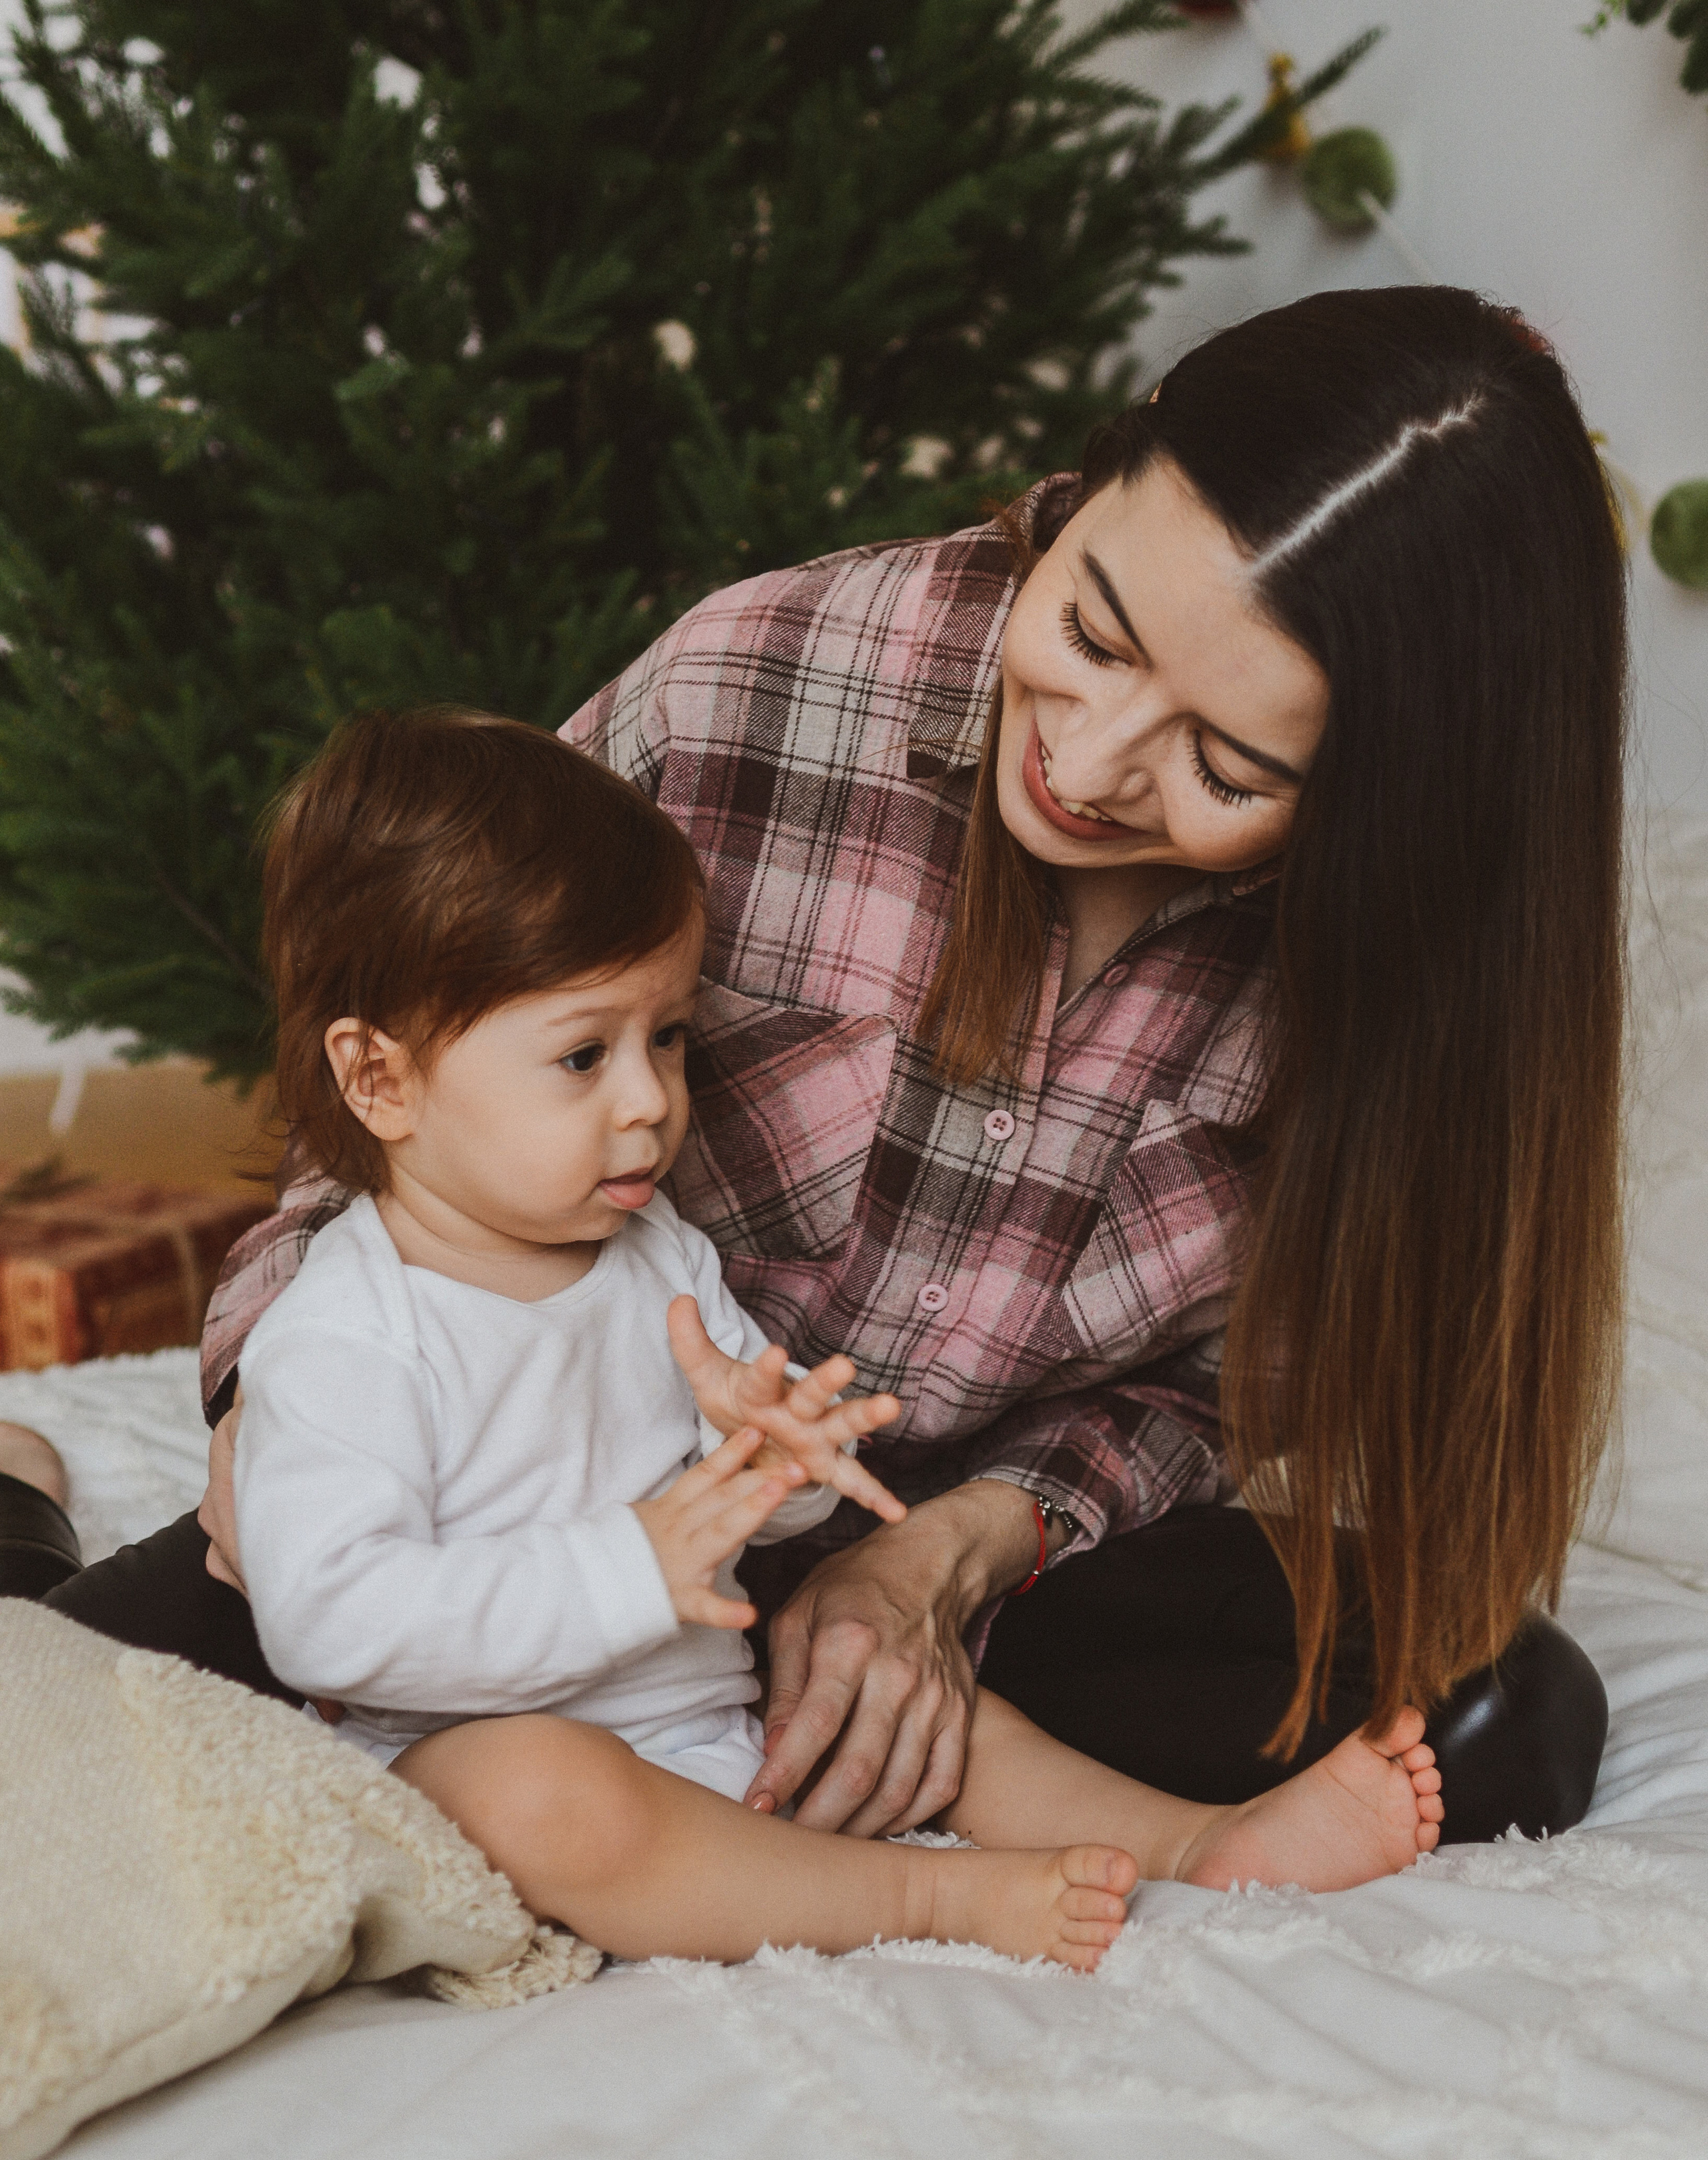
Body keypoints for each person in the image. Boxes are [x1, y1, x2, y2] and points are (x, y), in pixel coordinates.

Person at [1, 286, 1617, 1846]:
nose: (1091, 761)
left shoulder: (1393, 968)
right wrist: (267, 1391)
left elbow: (1201, 1395)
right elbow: (413, 1070)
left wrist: (946, 1559)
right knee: (41, 1751)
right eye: (1091, 630)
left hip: (953, 1553)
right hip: (543, 1520)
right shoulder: (759, 680)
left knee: (1497, 1724)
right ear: (1091, 478)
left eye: (1225, 762)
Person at [228, 702, 1442, 1969]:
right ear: (380, 1080)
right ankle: (934, 1901)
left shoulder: (658, 1259)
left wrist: (777, 1455)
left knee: (931, 1709)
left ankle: (1200, 1844)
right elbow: (326, 1614)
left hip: (716, 1729)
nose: (651, 1103)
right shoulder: (348, 1328)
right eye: (584, 1055)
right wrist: (631, 1564)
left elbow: (750, 1508)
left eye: (670, 1037)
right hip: (486, 1767)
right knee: (537, 1789)